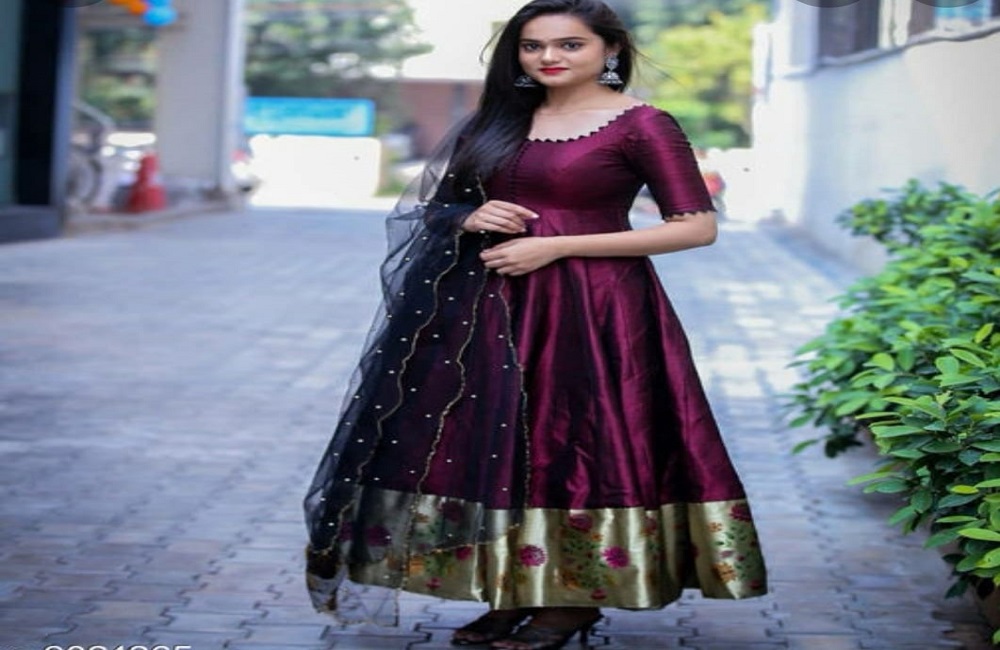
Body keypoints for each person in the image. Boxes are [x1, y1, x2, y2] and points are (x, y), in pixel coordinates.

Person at [303, 1, 767, 648]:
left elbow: (695, 227)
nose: (548, 57)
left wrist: (559, 246)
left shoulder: (642, 124)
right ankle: (510, 588)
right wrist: (468, 218)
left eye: (570, 44)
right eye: (532, 45)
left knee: (575, 443)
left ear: (610, 49)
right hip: (483, 311)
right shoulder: (497, 121)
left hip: (594, 312)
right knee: (490, 445)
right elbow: (439, 208)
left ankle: (571, 599)